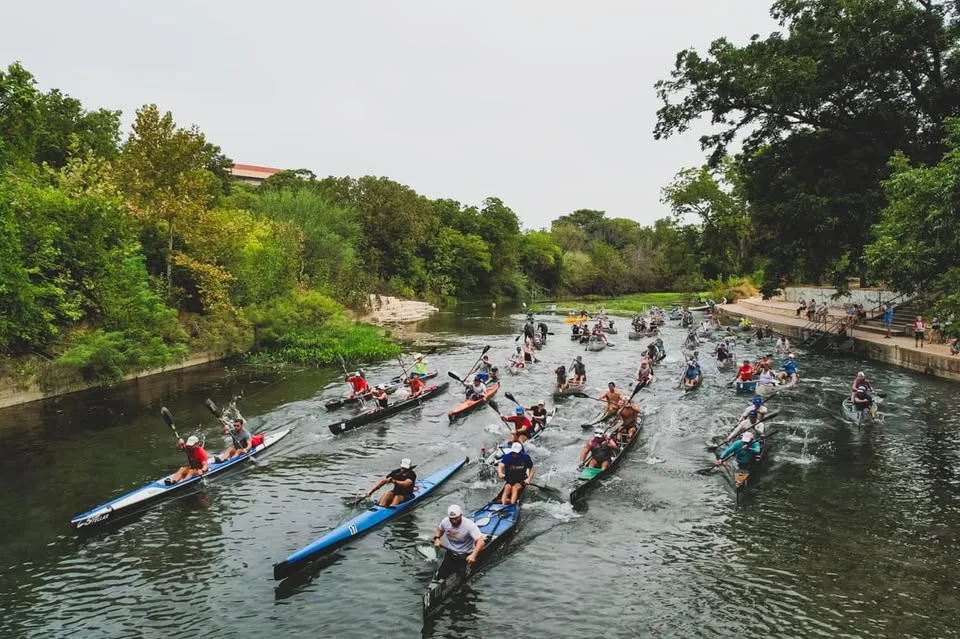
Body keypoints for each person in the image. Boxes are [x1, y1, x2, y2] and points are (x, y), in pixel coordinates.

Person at [433, 504, 486, 578]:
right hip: (451, 552)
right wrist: (437, 538)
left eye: (456, 518)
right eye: (451, 519)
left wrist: (473, 555)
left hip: (465, 555)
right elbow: (439, 530)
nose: (454, 521)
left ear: (461, 515)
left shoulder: (469, 525)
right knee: (440, 575)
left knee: (463, 576)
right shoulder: (445, 522)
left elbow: (481, 542)